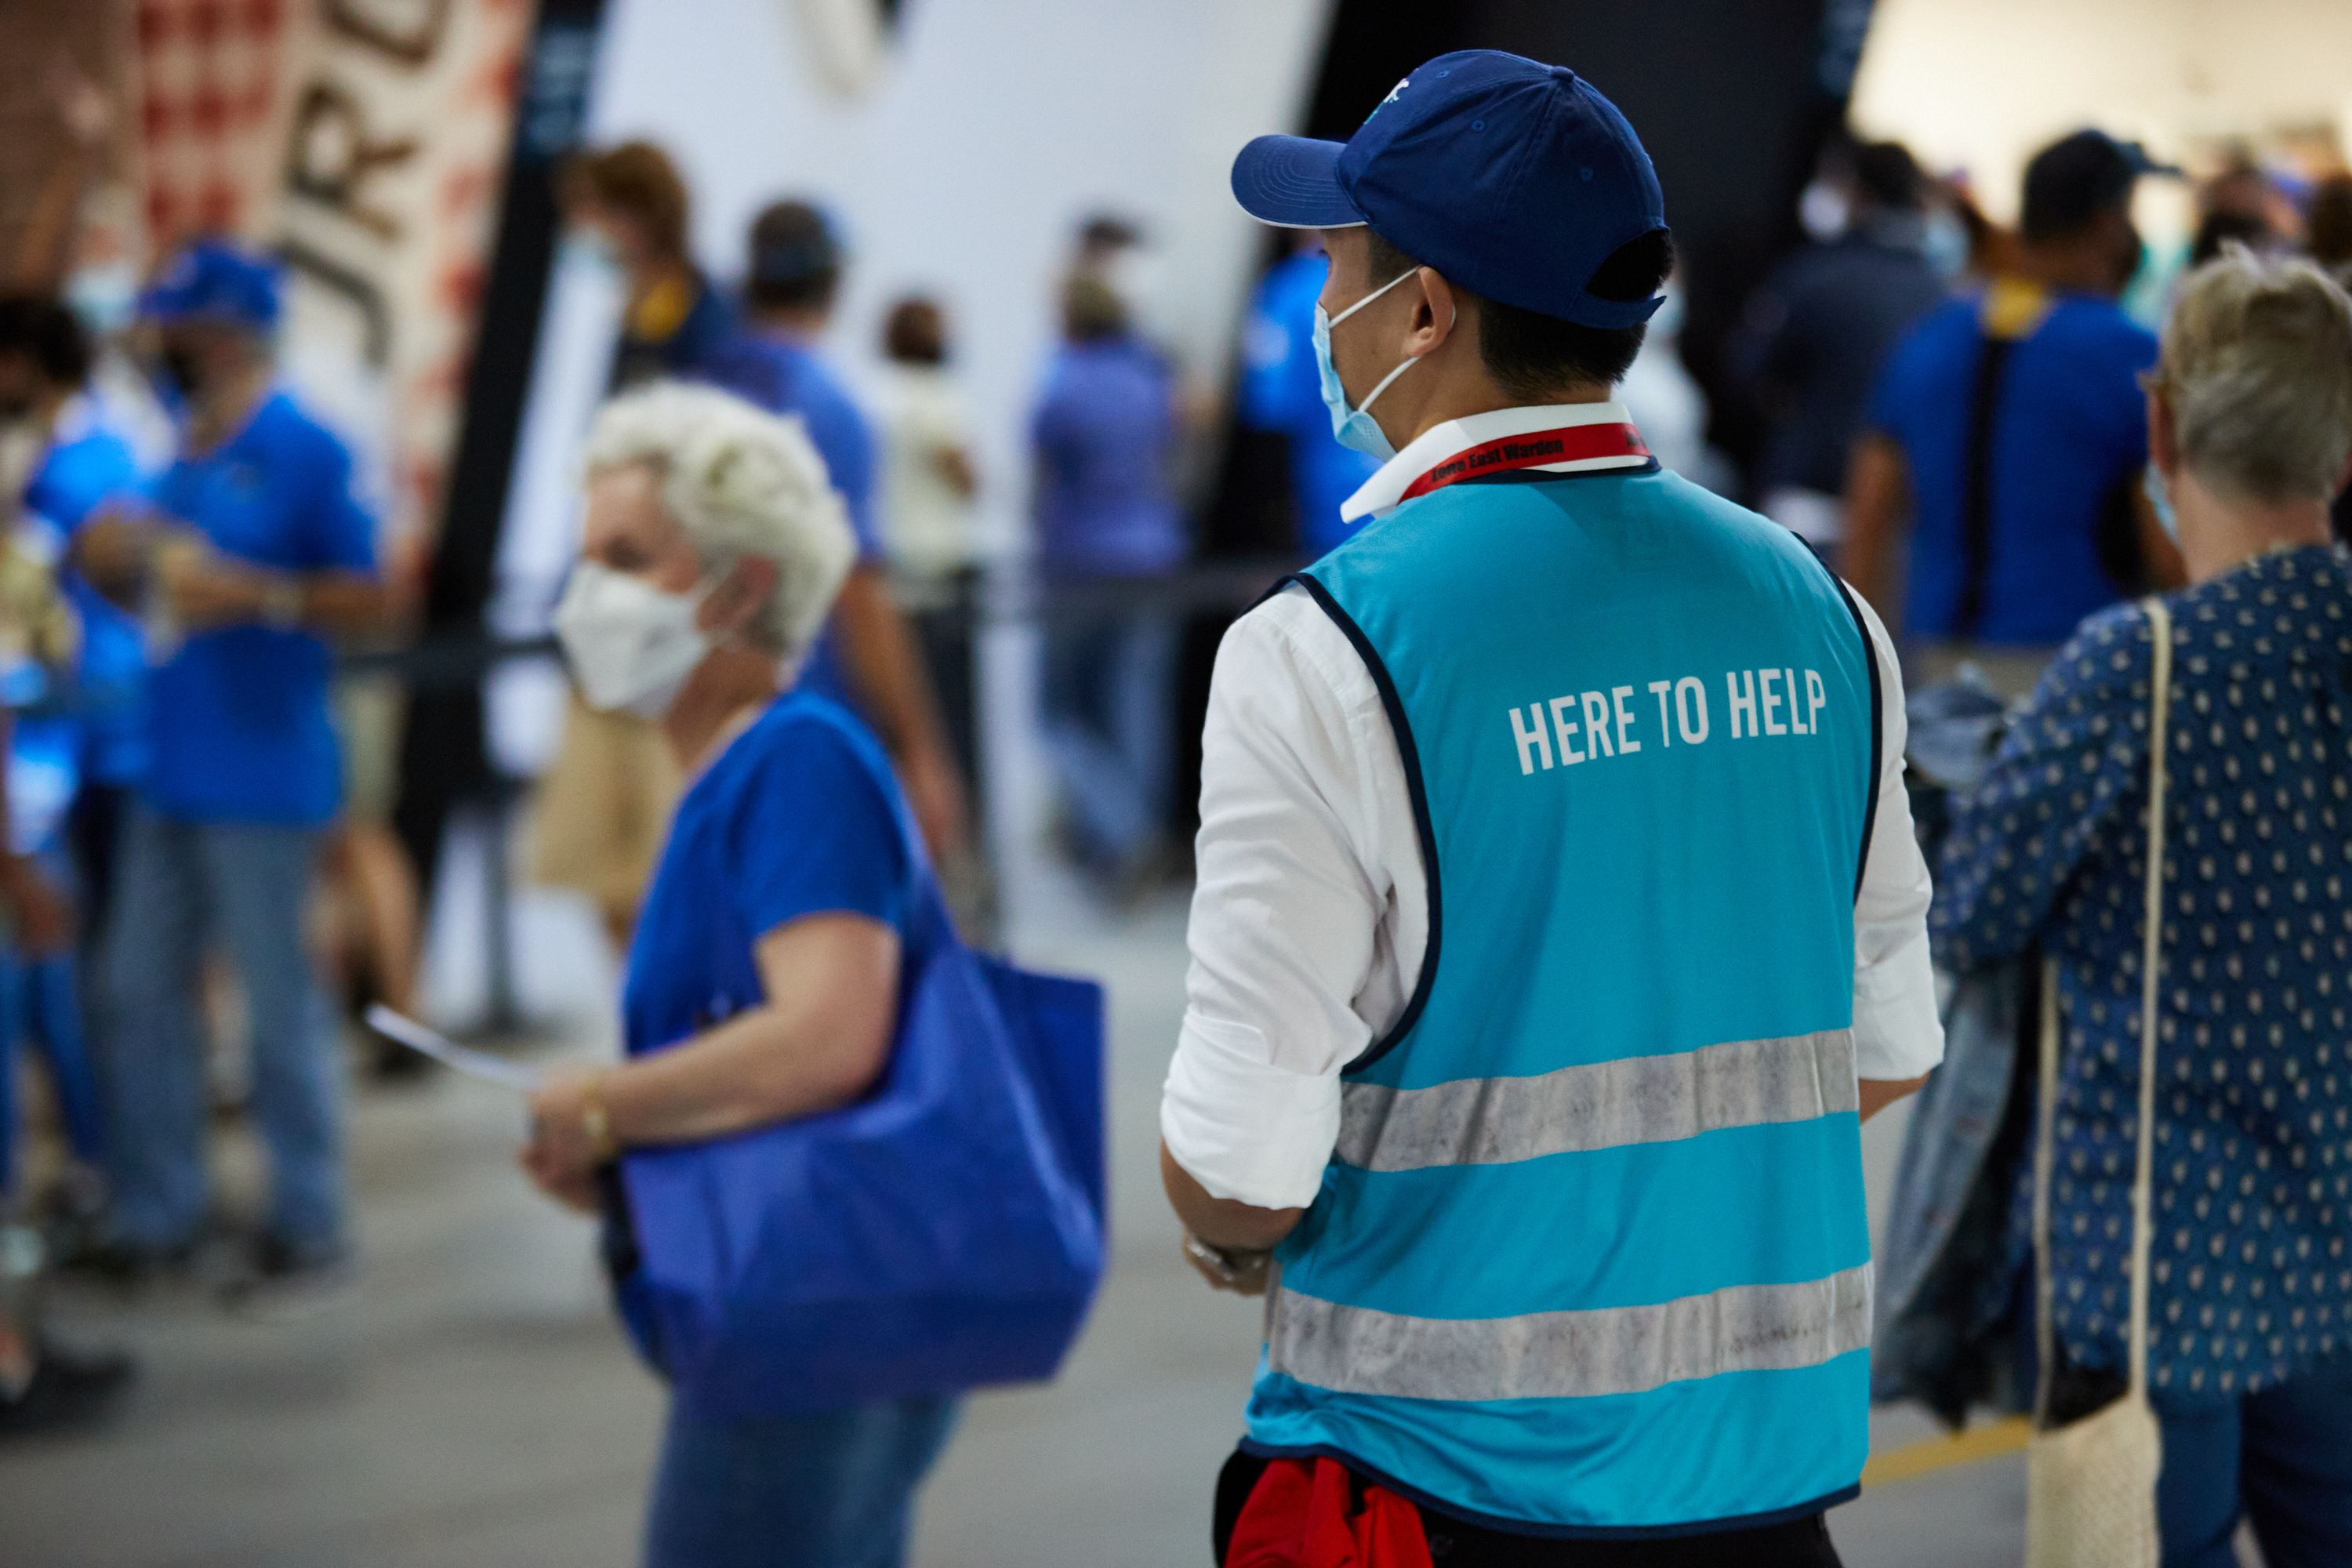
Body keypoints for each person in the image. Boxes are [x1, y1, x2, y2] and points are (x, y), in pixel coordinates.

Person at [1162, 53, 1944, 1561]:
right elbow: (1888, 1042)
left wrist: (1215, 1229)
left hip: (1443, 1483)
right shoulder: (1819, 611)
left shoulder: (1325, 652)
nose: (1322, 298)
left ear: (1426, 312)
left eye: (1340, 255)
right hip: (1760, 1491)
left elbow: (1243, 1166)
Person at [1933, 247, 2352, 1567]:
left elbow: (1975, 918)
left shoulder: (2136, 669)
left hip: (2145, 1267)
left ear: (2162, 425)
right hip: (2336, 1251)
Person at [518, 382, 954, 1567]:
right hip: (798, 1301)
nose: (588, 593)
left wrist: (605, 1104)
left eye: (626, 558)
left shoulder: (797, 759)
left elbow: (827, 1038)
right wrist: (625, 1154)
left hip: (815, 1315)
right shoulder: (735, 776)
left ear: (740, 586)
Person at [73, 241, 390, 1303]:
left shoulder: (305, 447)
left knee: (275, 1002)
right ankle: (160, 1208)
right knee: (135, 990)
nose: (159, 345)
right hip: (172, 760)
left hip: (263, 768)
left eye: (175, 326)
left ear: (220, 332)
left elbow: (371, 593)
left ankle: (312, 1213)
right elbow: (157, 588)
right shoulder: (181, 451)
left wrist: (259, 594)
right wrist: (113, 568)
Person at [1846, 129, 2183, 695]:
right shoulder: (2130, 355)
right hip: (2078, 660)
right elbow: (2166, 546)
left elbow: (1870, 520)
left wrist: (1861, 676)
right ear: (2108, 224)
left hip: (1943, 663)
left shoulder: (1930, 340)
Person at [698, 200, 971, 866]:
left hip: (698, 708)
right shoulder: (825, 405)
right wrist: (920, 747)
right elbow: (857, 589)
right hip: (804, 718)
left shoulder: (704, 383)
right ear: (835, 282)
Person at [532, 141, 738, 948]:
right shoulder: (637, 313)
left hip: (671, 625)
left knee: (671, 854)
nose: (580, 231)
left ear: (634, 214)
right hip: (610, 613)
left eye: (590, 210)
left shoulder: (700, 319)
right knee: (606, 865)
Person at [1031, 274, 1184, 891]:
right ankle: (1130, 841)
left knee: (1059, 713)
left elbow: (1041, 482)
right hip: (1154, 553)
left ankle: (1127, 836)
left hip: (1080, 563)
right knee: (1136, 709)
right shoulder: (1150, 381)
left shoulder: (1061, 386)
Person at [1733, 140, 1947, 562]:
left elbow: (1750, 373)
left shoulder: (1815, 277)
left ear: (1856, 192)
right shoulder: (1940, 296)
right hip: (1896, 524)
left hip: (1805, 508)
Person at [874, 296, 983, 816]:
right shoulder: (935, 398)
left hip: (896, 571)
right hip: (940, 569)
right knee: (953, 718)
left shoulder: (877, 395)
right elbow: (965, 478)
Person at [1237, 232, 1381, 557]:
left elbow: (1269, 406)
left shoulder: (1291, 285)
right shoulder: (1403, 276)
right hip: (1417, 497)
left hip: (1330, 505)